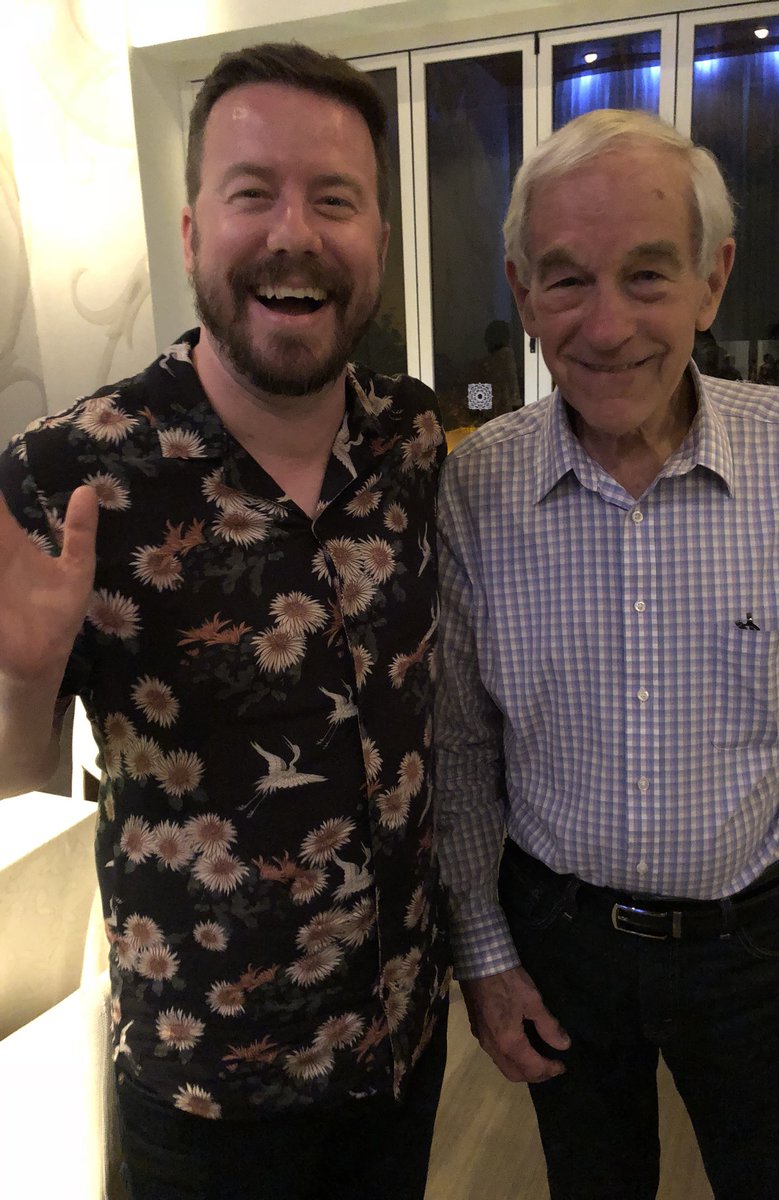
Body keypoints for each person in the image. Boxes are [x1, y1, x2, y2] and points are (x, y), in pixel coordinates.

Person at [0, 42, 450, 1200]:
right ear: (194, 230)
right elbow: (11, 776)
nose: (294, 233)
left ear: (379, 241)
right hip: (205, 1085)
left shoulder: (411, 437)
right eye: (253, 192)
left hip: (401, 1041)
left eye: (335, 199)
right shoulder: (68, 475)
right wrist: (22, 683)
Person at [435, 107, 779, 1200]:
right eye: (566, 281)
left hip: (767, 945)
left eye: (648, 275)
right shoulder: (474, 487)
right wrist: (486, 956)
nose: (606, 328)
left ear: (712, 280)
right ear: (522, 295)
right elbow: (458, 753)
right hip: (561, 941)